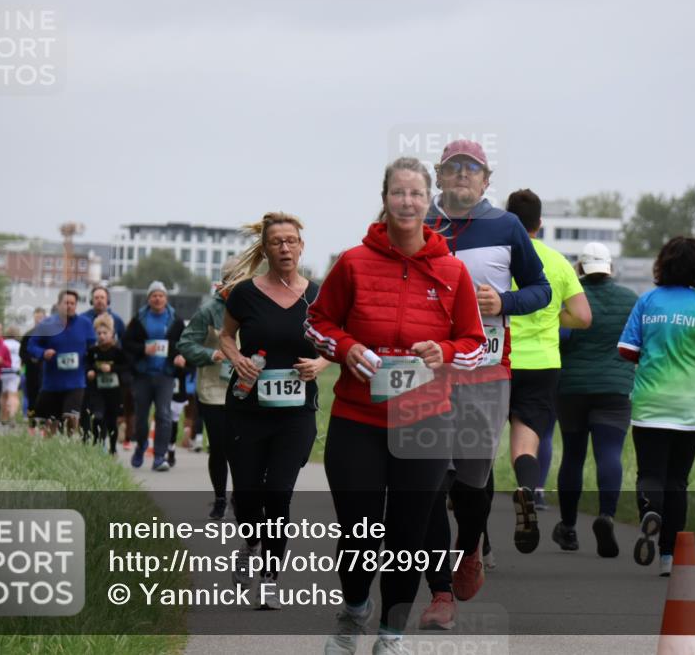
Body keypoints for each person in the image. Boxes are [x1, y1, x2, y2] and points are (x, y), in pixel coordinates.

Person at [306, 158, 486, 654]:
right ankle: (356, 608)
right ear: (384, 198)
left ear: (429, 202)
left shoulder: (452, 271)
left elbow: (475, 343)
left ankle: (391, 634)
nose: (407, 202)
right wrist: (347, 349)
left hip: (425, 421)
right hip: (358, 420)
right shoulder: (352, 262)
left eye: (415, 194)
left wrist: (444, 351)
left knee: (407, 537)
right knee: (359, 531)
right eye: (398, 193)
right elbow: (317, 324)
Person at [418, 140, 551, 627]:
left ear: (486, 179)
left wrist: (503, 303)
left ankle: (469, 548)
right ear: (439, 175)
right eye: (452, 169)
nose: (460, 177)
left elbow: (542, 290)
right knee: (429, 479)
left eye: (470, 170)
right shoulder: (417, 222)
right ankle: (440, 591)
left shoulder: (507, 226)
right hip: (425, 373)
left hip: (485, 374)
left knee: (472, 481)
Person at [218, 212, 329, 607]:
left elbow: (335, 343)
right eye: (277, 241)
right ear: (265, 249)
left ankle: (269, 578)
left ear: (301, 247)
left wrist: (321, 364)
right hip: (247, 406)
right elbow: (226, 336)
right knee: (248, 494)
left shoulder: (317, 295)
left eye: (291, 241)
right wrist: (236, 358)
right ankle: (250, 542)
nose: (284, 247)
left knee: (279, 493)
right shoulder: (245, 293)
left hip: (296, 411)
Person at [617, 236, 695, 577]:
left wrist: (651, 355)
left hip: (650, 402)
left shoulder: (648, 301)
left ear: (662, 265)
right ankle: (668, 557)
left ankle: (649, 513)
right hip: (692, 408)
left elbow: (626, 349)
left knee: (650, 474)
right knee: (678, 481)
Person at [505, 189, 592, 554]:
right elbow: (584, 317)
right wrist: (555, 317)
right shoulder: (557, 263)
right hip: (542, 363)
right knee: (526, 442)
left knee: (474, 449)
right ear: (540, 224)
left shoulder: (498, 259)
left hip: (497, 360)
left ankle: (479, 545)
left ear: (507, 220)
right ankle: (526, 489)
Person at [553, 242, 638, 556]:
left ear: (579, 268)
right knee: (609, 453)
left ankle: (569, 528)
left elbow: (560, 340)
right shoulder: (631, 301)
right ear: (610, 267)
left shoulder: (570, 300)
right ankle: (607, 515)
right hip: (615, 389)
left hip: (572, 388)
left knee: (573, 456)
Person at [178, 259, 241, 520]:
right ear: (225, 281)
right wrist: (211, 353)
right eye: (235, 280)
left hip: (245, 388)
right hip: (214, 389)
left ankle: (240, 498)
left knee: (242, 447)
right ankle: (219, 499)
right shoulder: (209, 310)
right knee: (219, 446)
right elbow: (186, 343)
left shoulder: (255, 306)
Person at [123, 281, 186, 471]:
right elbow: (126, 344)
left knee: (164, 414)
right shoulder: (138, 319)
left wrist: (179, 357)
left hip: (165, 375)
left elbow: (183, 344)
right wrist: (143, 349)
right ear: (149, 298)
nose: (157, 298)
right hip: (143, 375)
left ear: (166, 299)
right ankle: (141, 446)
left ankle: (159, 456)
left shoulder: (176, 320)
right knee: (141, 416)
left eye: (161, 295)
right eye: (154, 295)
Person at [27, 290, 97, 437]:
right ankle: (50, 449)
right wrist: (43, 353)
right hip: (52, 383)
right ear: (58, 305)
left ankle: (67, 444)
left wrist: (90, 365)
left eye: (72, 303)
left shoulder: (85, 324)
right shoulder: (47, 324)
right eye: (66, 303)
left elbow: (92, 348)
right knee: (51, 422)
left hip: (76, 382)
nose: (69, 306)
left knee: (71, 417)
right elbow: (31, 346)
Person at [85, 313, 129, 453]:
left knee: (111, 420)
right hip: (97, 391)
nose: (102, 336)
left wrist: (112, 368)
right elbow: (87, 365)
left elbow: (127, 366)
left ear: (112, 334)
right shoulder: (93, 351)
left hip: (114, 391)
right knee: (98, 417)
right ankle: (98, 445)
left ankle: (113, 448)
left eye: (105, 333)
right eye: (99, 333)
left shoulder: (117, 352)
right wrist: (91, 371)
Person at [20, 307, 47, 432]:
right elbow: (22, 353)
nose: (39, 321)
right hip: (31, 372)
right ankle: (31, 426)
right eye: (37, 319)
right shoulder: (28, 335)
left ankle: (43, 426)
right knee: (31, 400)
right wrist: (30, 359)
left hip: (45, 372)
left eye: (41, 318)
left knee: (43, 400)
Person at [0, 327, 22, 426]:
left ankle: (4, 417)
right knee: (13, 394)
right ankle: (12, 416)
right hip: (15, 371)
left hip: (2, 371)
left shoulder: (2, 344)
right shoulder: (19, 345)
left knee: (3, 394)